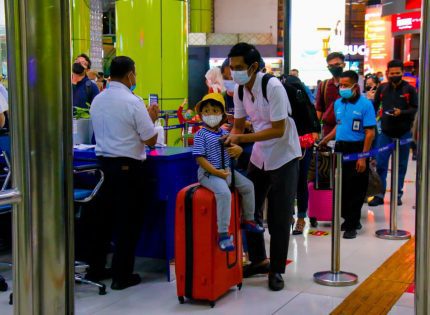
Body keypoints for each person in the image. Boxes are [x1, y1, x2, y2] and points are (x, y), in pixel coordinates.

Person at [226, 43, 301, 291]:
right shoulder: (239, 90)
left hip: (284, 155)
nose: (234, 72)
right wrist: (232, 142)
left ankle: (277, 270)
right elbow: (238, 125)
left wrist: (242, 139)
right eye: (231, 67)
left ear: (253, 66)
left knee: (279, 215)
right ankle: (259, 260)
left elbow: (278, 130)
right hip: (259, 155)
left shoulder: (273, 86)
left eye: (238, 67)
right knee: (250, 209)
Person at [89, 56, 160, 290]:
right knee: (128, 223)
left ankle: (97, 268)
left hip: (103, 168)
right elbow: (150, 139)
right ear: (130, 74)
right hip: (128, 170)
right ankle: (122, 275)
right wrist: (152, 119)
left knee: (104, 221)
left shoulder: (98, 100)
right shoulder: (132, 101)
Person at [193, 93, 264, 251]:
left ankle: (249, 220)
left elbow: (236, 148)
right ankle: (223, 234)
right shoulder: (200, 134)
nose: (210, 114)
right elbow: (200, 159)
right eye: (206, 111)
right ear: (201, 115)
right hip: (209, 173)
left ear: (223, 115)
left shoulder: (225, 134)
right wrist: (217, 173)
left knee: (248, 186)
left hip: (227, 171)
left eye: (215, 110)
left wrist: (238, 150)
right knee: (224, 193)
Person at [321, 70, 376, 239]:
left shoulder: (365, 105)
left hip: (357, 148)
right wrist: (326, 139)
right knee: (341, 186)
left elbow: (370, 133)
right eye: (340, 85)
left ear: (355, 86)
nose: (342, 88)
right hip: (340, 148)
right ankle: (349, 218)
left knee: (356, 188)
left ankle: (352, 224)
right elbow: (339, 126)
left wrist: (362, 157)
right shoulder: (338, 104)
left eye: (345, 85)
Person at [368, 60, 418, 207]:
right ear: (387, 73)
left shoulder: (409, 89)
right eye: (392, 73)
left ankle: (397, 194)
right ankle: (379, 194)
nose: (394, 75)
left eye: (397, 73)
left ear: (402, 73)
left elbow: (415, 109)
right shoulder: (382, 89)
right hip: (385, 133)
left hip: (404, 134)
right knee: (381, 165)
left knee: (401, 166)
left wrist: (401, 112)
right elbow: (374, 107)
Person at [316, 52, 345, 138]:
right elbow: (319, 109)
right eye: (331, 66)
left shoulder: (351, 85)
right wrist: (315, 130)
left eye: (337, 64)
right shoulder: (324, 85)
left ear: (343, 64)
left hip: (347, 128)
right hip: (328, 129)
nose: (334, 68)